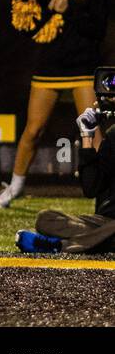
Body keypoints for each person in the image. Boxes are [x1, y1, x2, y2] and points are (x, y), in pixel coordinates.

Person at [0, 0, 109, 209]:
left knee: (93, 130)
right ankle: (15, 186)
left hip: (83, 68)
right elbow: (27, 24)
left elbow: (97, 29)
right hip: (49, 67)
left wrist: (69, 8)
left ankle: (104, 191)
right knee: (33, 130)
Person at [18, 99, 115, 254]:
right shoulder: (113, 134)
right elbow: (91, 188)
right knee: (46, 219)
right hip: (106, 223)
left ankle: (59, 246)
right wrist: (87, 136)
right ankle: (97, 241)